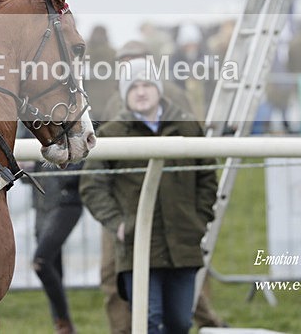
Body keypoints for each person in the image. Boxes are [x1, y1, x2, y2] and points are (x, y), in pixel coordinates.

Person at [80, 58, 218, 334]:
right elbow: (91, 186)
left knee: (180, 322)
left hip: (183, 244)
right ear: (124, 94)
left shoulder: (188, 128)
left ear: (159, 88)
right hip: (137, 246)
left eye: (146, 85)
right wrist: (118, 223)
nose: (141, 92)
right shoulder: (111, 134)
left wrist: (198, 220)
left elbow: (207, 178)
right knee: (148, 321)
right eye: (133, 87)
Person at [32, 161, 84, 334]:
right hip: (42, 204)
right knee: (53, 267)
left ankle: (64, 323)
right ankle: (61, 325)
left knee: (41, 262)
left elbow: (80, 165)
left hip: (66, 202)